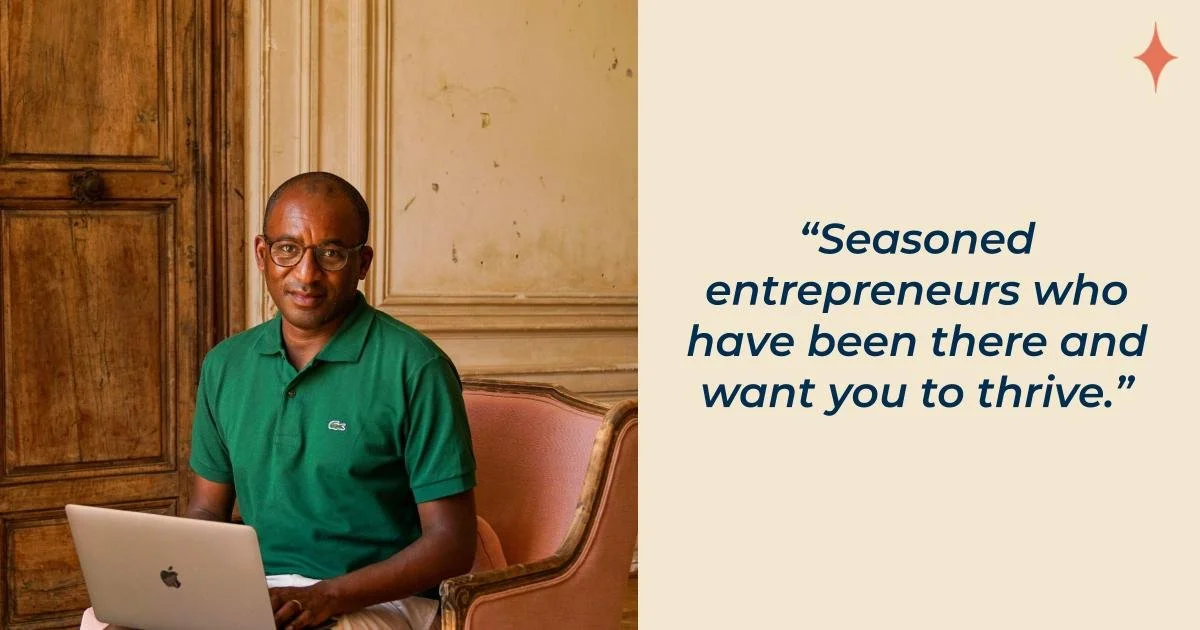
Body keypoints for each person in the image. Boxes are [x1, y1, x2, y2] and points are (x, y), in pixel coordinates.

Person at [80, 171, 478, 630]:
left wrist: (325, 596)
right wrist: (183, 589)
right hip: (259, 592)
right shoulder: (226, 365)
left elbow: (452, 543)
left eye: (331, 253)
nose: (306, 275)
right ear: (262, 255)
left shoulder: (415, 367)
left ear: (362, 262)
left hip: (376, 599)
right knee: (104, 621)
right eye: (288, 249)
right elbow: (208, 509)